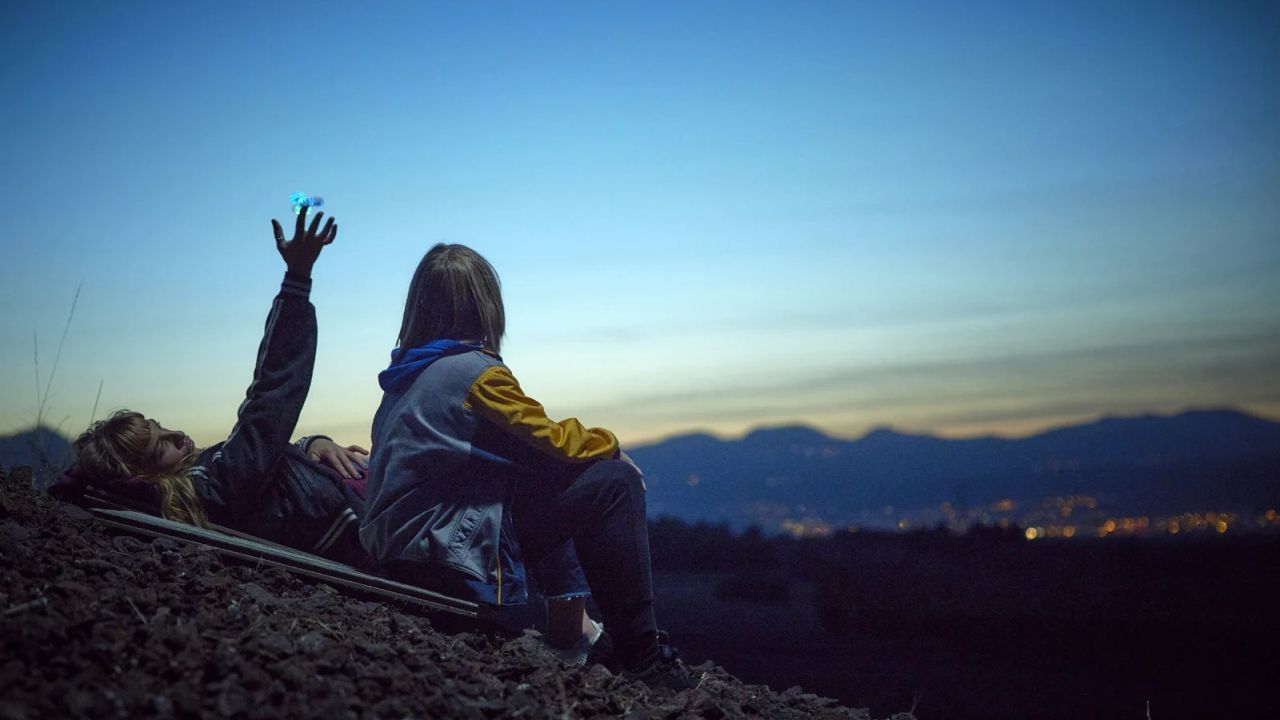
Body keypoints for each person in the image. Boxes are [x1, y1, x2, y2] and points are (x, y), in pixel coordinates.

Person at [359, 243, 694, 689]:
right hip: (441, 554)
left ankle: (571, 628)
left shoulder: (405, 379)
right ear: (487, 305)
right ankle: (643, 658)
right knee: (613, 482)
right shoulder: (475, 373)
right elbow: (553, 440)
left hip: (399, 551)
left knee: (535, 475)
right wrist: (611, 448)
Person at [51, 208, 373, 567]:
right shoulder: (214, 488)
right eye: (161, 449)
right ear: (144, 479)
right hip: (387, 518)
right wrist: (297, 277)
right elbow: (270, 401)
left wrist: (310, 444)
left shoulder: (210, 480)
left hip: (374, 492)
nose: (177, 434)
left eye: (161, 426)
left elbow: (272, 474)